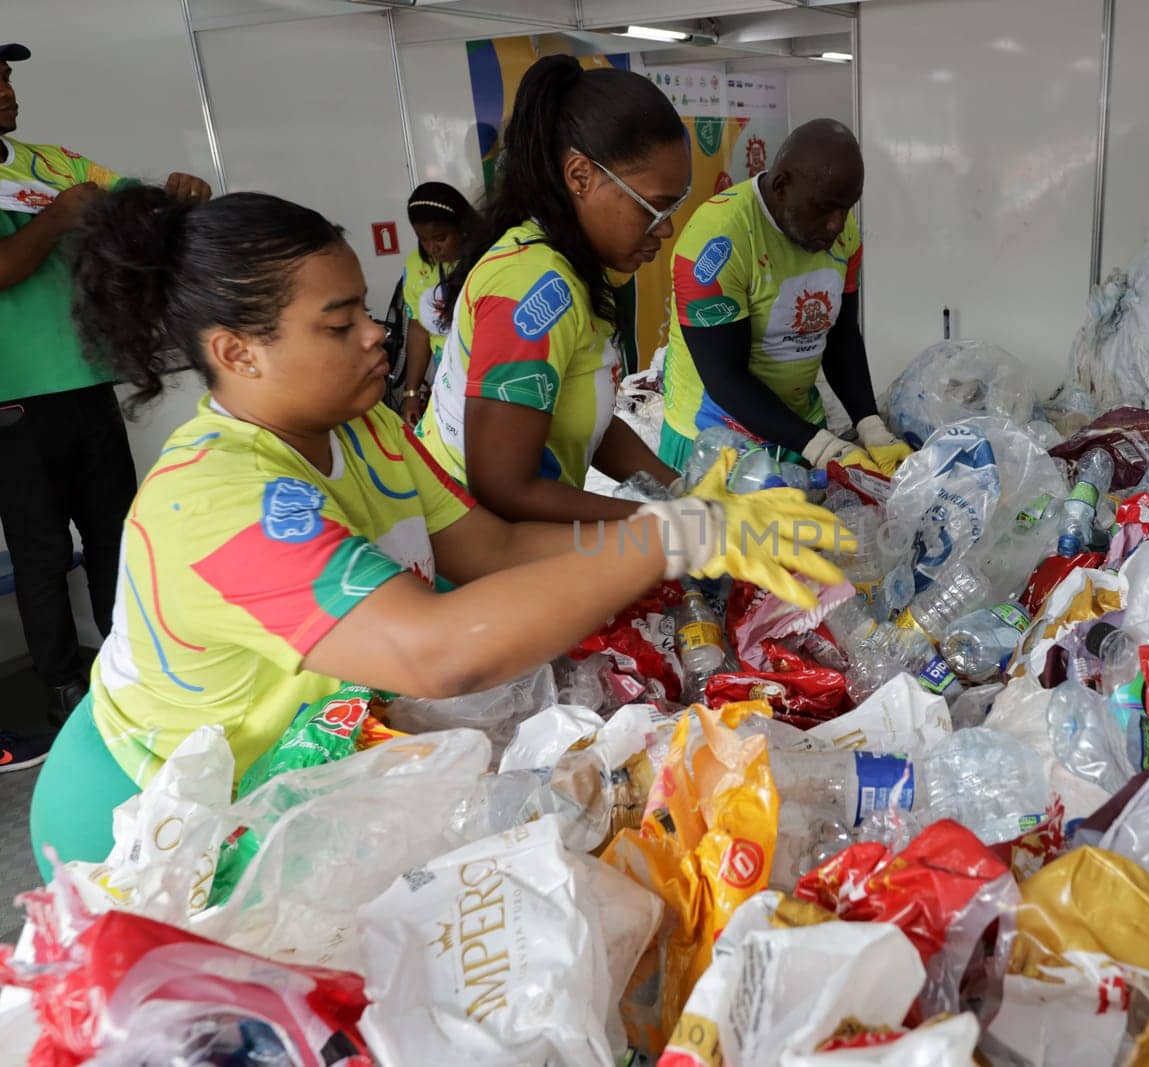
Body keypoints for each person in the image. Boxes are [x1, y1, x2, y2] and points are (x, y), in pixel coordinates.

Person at [30, 184, 844, 872]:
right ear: (237, 352)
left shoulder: (365, 430)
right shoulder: (213, 498)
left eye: (365, 311)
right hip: (149, 814)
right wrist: (665, 540)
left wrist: (673, 521)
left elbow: (489, 548)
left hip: (295, 766)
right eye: (338, 323)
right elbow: (434, 651)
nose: (377, 332)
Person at [0, 42, 212, 771]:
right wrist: (57, 219)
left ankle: (131, 664)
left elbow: (130, 206)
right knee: (41, 553)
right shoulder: (53, 193)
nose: (7, 90)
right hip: (14, 397)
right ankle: (62, 685)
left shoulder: (50, 161)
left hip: (87, 380)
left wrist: (177, 198)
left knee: (117, 535)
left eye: (6, 76)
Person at [416, 55, 686, 522]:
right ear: (581, 176)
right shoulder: (533, 286)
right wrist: (660, 526)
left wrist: (682, 492)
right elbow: (503, 487)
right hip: (472, 552)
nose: (666, 230)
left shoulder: (568, 265)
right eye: (654, 208)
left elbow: (587, 423)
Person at [659, 118, 911, 477]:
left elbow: (840, 337)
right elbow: (724, 377)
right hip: (717, 440)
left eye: (847, 207)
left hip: (798, 428)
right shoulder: (716, 244)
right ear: (781, 187)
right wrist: (820, 445)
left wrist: (870, 425)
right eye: (825, 208)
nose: (837, 224)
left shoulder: (840, 233)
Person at [397, 181, 481, 427]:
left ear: (462, 228)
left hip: (491, 380)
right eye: (423, 239)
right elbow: (420, 329)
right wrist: (411, 392)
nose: (432, 248)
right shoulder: (416, 267)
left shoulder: (489, 259)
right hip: (450, 387)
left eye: (440, 238)